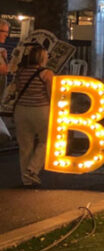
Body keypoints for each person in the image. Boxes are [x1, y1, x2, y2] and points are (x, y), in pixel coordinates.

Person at [14, 43, 54, 187]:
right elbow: (51, 94)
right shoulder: (46, 73)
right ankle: (33, 169)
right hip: (40, 109)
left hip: (21, 110)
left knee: (25, 145)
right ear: (42, 57)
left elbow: (18, 88)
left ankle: (26, 180)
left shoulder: (21, 71)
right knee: (47, 140)